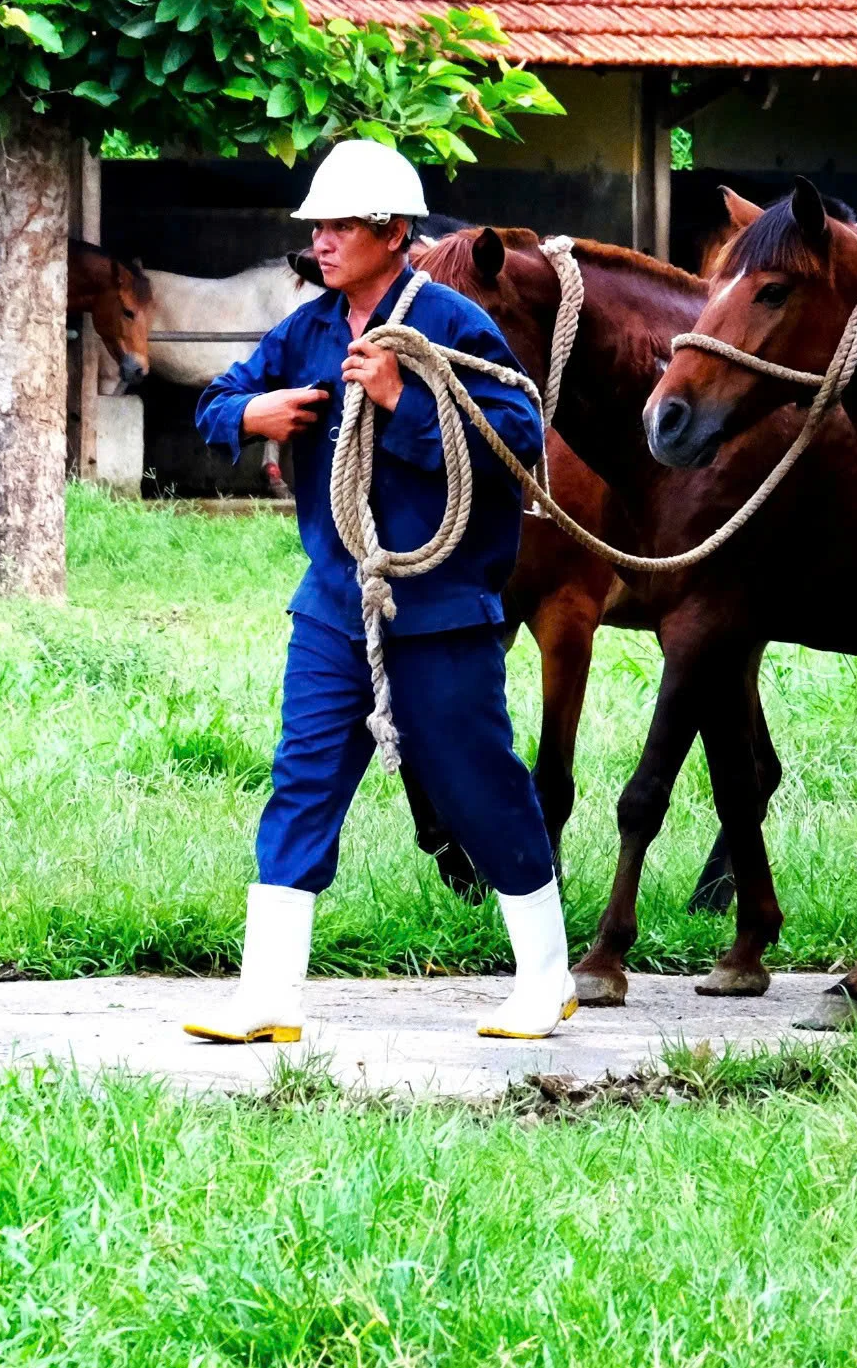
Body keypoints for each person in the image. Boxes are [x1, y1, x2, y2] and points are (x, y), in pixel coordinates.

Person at [183, 139, 573, 1043]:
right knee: (302, 777)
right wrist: (250, 414)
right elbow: (219, 394)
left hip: (439, 611)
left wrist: (401, 400)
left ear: (393, 232)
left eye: (340, 225)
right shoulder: (309, 330)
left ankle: (546, 977)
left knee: (478, 786)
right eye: (316, 225)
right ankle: (269, 992)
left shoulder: (452, 325)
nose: (321, 241)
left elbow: (513, 440)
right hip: (334, 606)